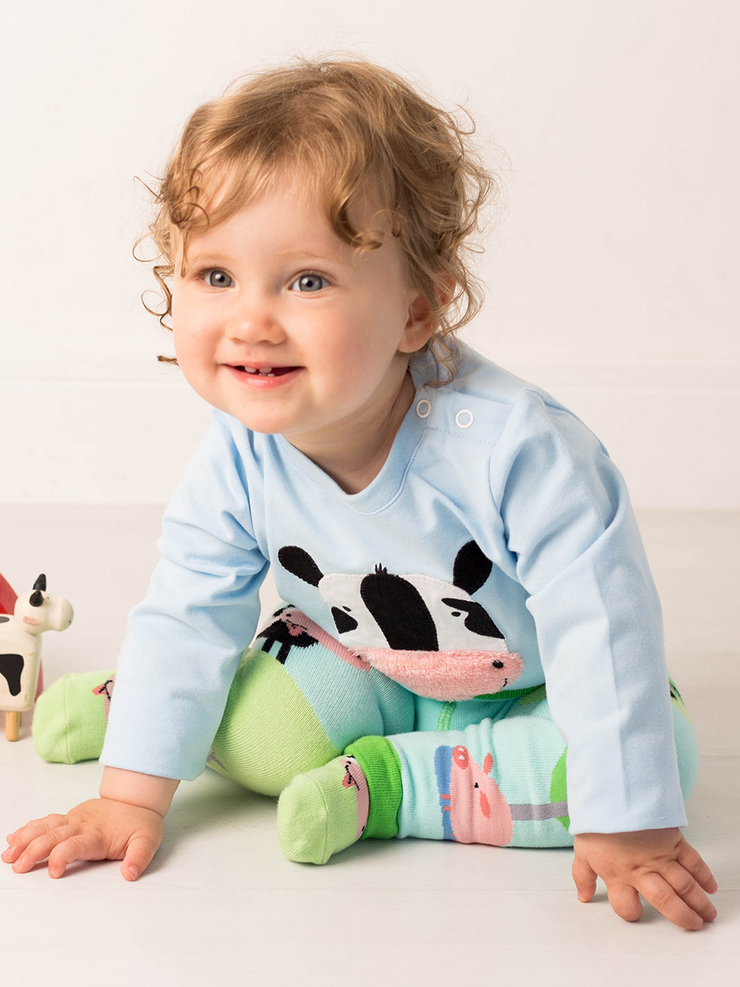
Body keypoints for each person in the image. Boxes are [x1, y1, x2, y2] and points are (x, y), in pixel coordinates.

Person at [2, 57, 717, 930]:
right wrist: (129, 797)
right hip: (357, 658)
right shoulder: (239, 454)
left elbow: (601, 621)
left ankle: (388, 783)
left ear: (417, 311)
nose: (251, 320)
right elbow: (189, 610)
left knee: (644, 770)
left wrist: (629, 824)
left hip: (527, 685)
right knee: (264, 739)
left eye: (307, 280)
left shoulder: (518, 450)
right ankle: (140, 711)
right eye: (216, 275)